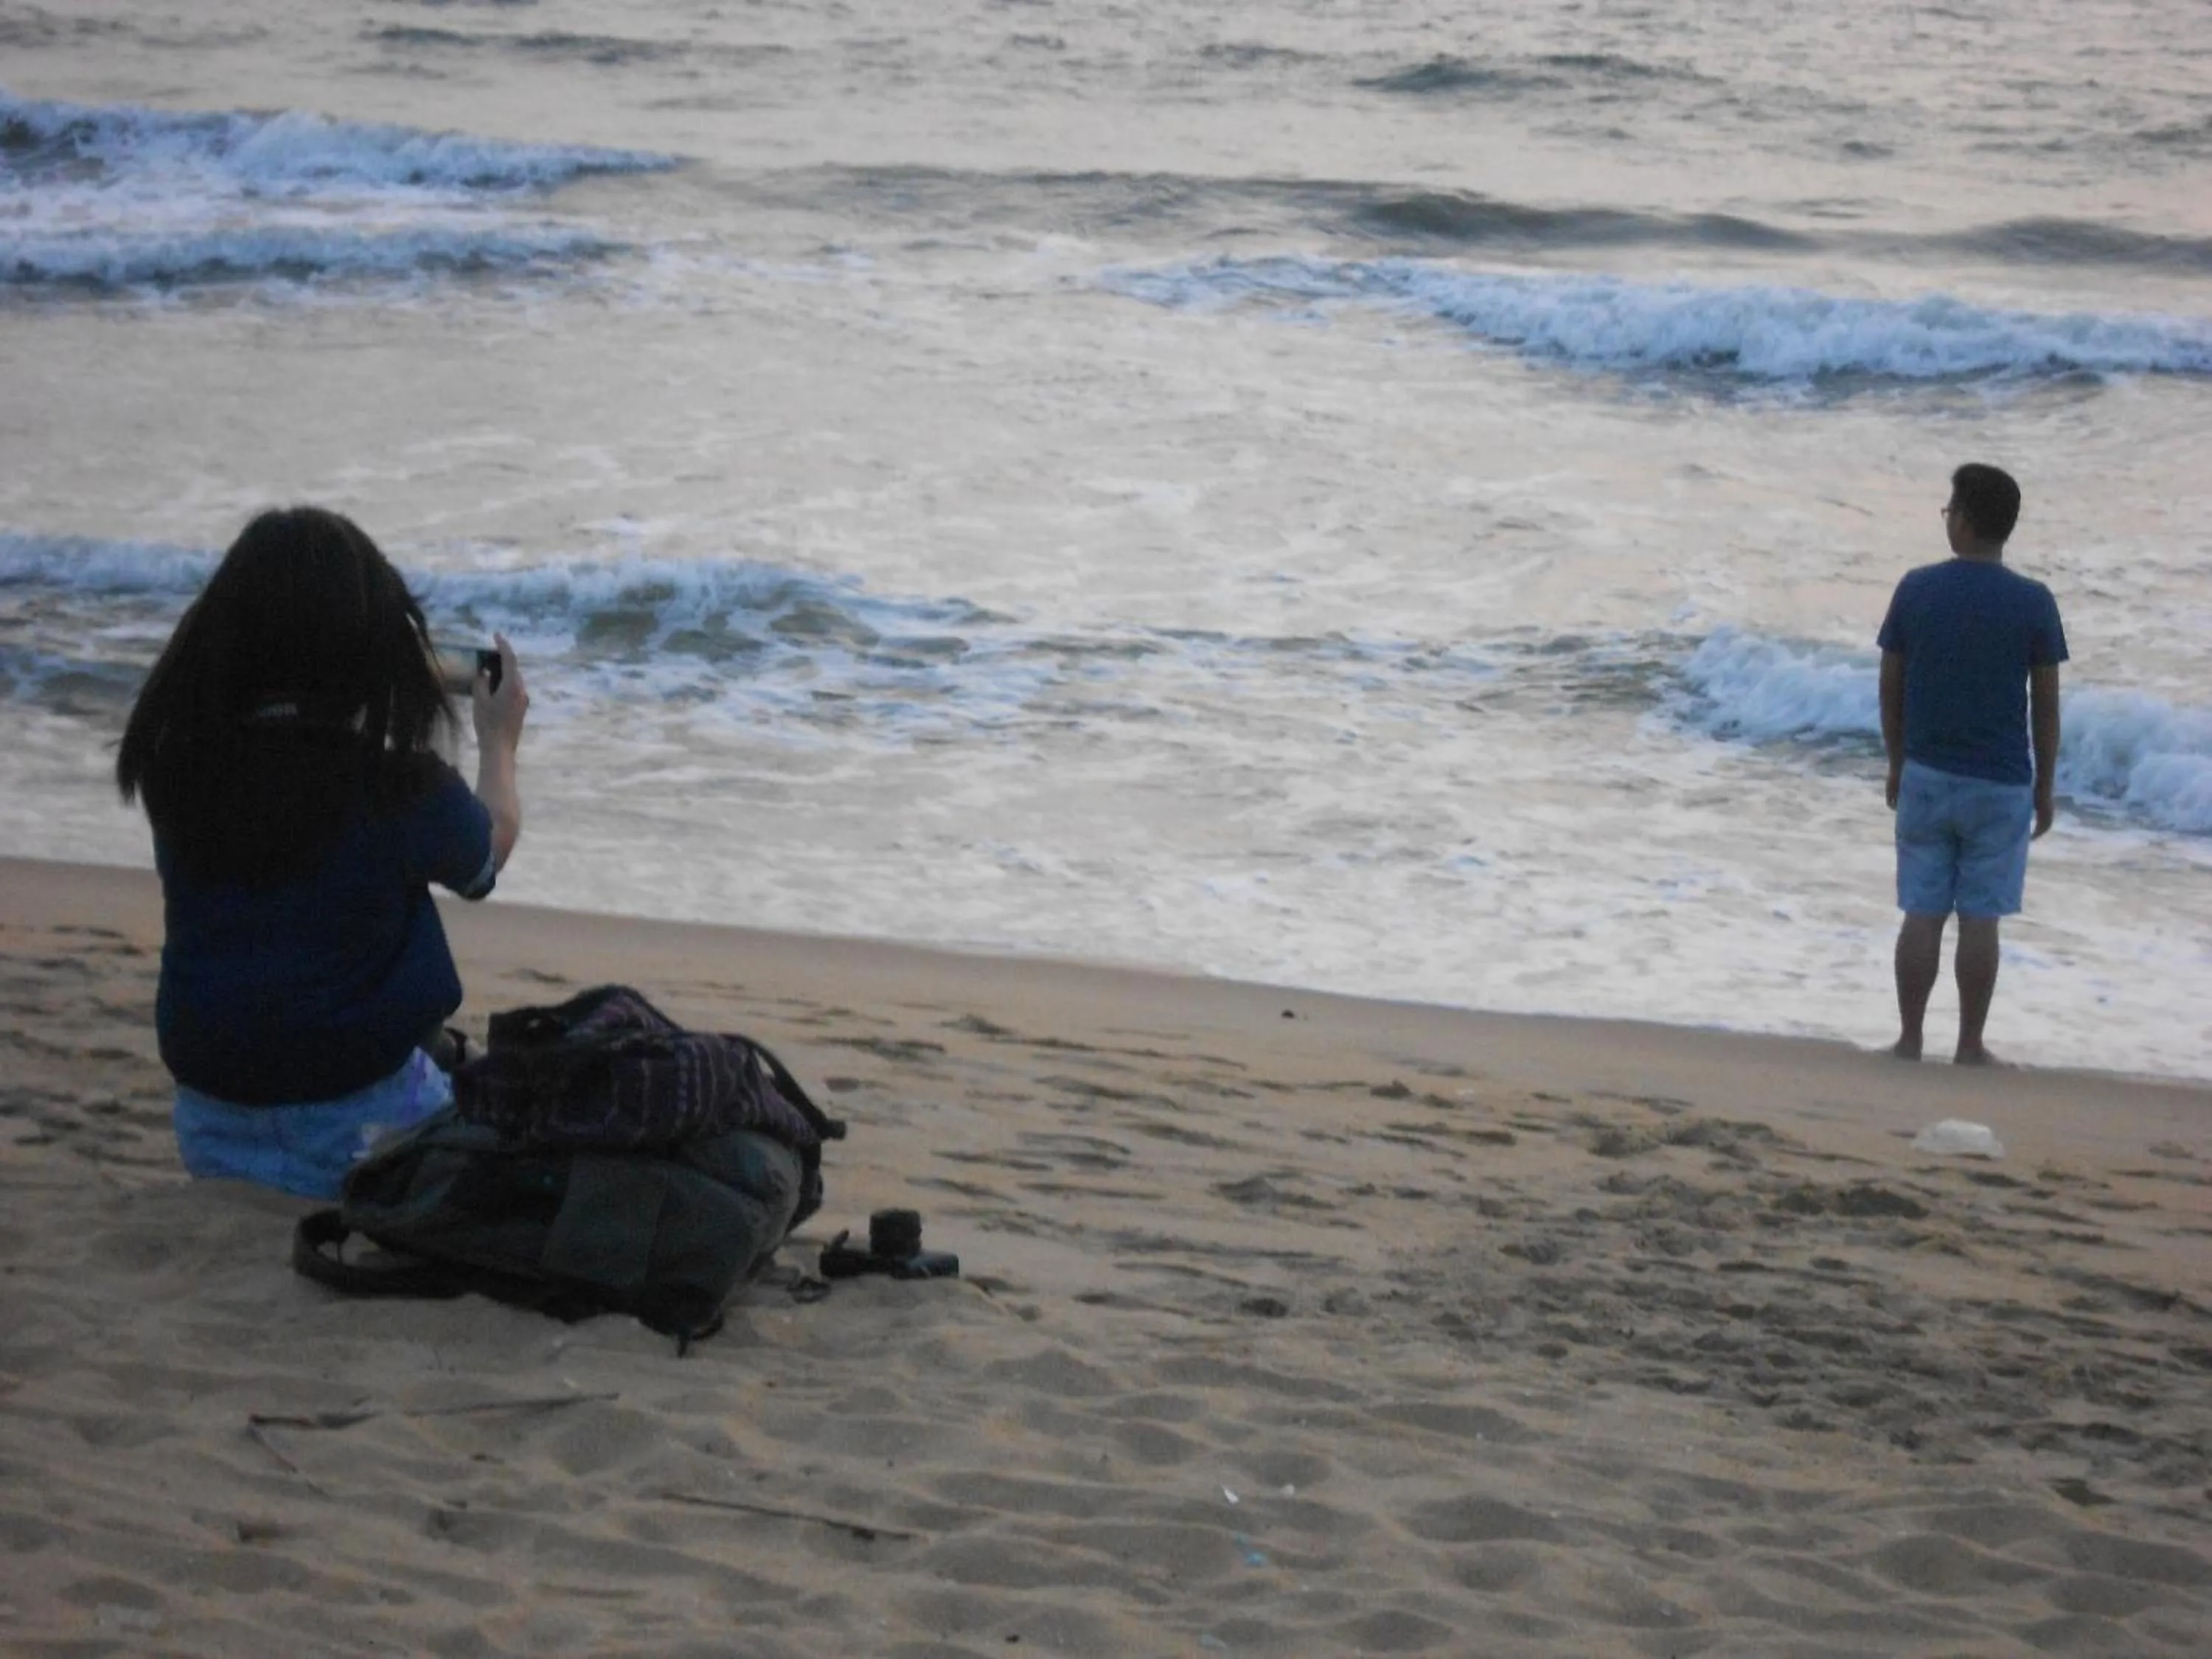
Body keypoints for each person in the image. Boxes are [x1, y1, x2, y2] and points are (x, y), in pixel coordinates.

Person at [116, 506, 529, 1196]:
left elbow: (281, 770)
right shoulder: (395, 787)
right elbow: (484, 858)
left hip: (212, 1125)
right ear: (368, 652)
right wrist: (499, 743)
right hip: (362, 1123)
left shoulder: (176, 770)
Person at [1877, 463, 2066, 1065]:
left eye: (1948, 509)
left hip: (1928, 774)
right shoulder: (2033, 601)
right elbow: (2046, 703)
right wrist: (2046, 785)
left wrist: (1897, 759)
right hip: (2001, 782)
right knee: (1982, 917)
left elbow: (1891, 683)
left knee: (1922, 911)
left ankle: (1909, 1039)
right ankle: (1969, 1044)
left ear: (1962, 519)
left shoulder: (1917, 588)